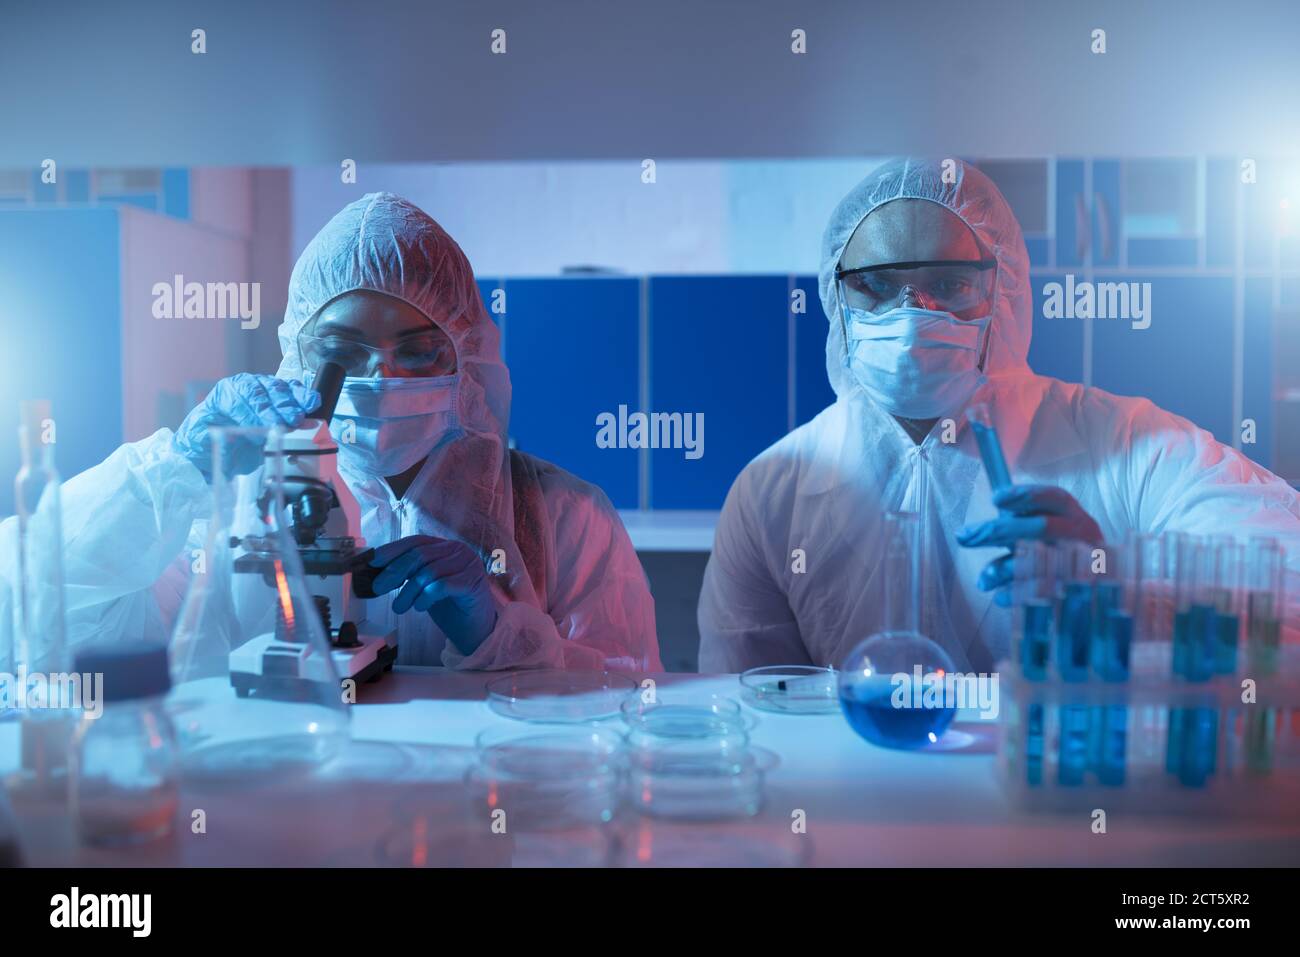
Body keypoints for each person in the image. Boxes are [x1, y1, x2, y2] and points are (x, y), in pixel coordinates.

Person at [2, 192, 660, 672]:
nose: (381, 375)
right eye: (342, 351)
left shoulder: (564, 521)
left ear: (468, 363)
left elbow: (634, 708)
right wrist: (175, 468)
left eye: (418, 349)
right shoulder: (226, 506)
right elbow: (34, 608)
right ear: (297, 358)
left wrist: (503, 634)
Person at [698, 158, 1300, 673]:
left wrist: (1121, 590)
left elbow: (1284, 593)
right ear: (837, 298)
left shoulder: (1130, 443)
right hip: (860, 810)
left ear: (1004, 290)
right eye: (877, 286)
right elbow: (751, 706)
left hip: (1066, 800)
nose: (913, 315)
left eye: (950, 283)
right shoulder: (773, 492)